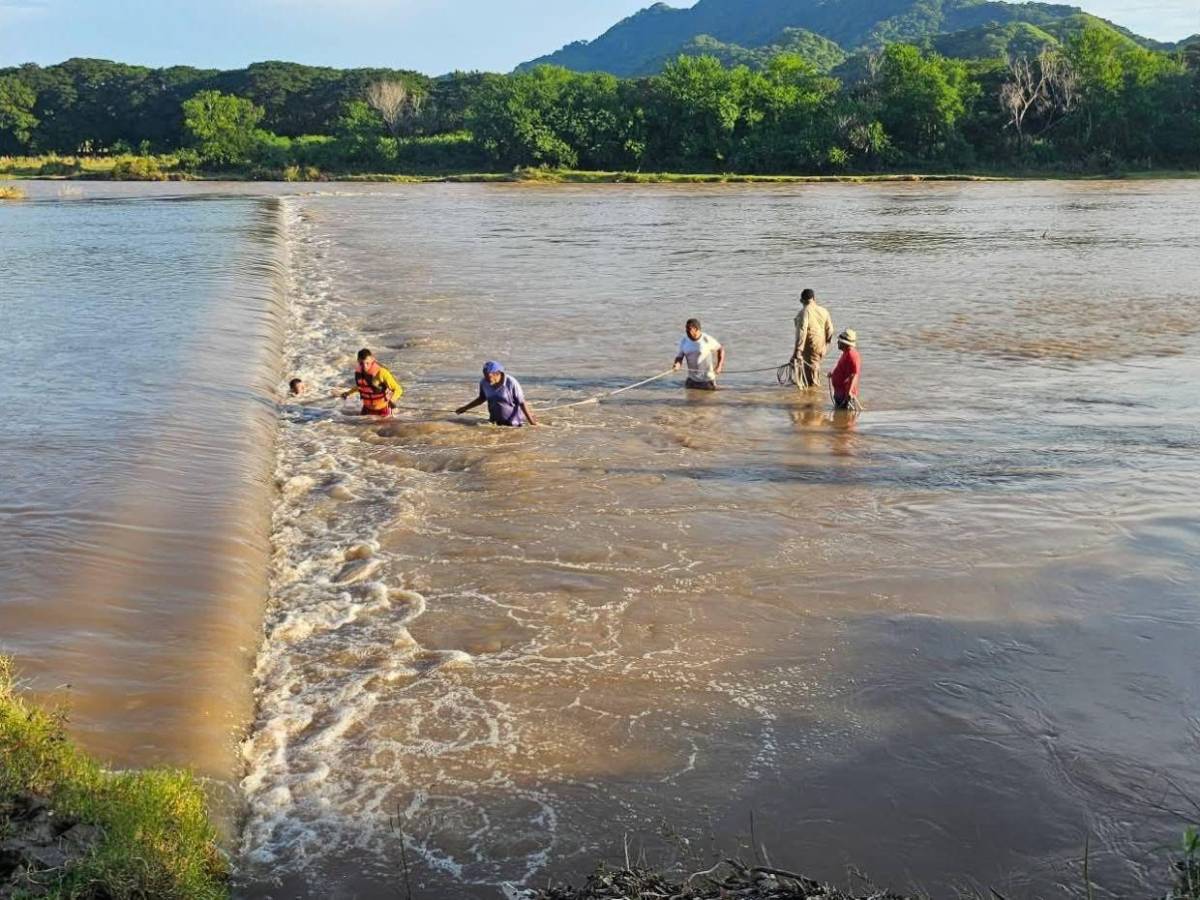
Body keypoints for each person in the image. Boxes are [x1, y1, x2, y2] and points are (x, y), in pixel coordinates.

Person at [456, 361, 539, 426]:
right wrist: (465, 408)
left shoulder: (511, 382)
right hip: (495, 423)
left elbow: (522, 403)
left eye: (489, 377)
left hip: (514, 424)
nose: (487, 380)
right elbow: (481, 398)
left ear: (498, 373)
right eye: (484, 375)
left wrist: (532, 422)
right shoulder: (483, 382)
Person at [337, 348, 403, 416]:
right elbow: (363, 386)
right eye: (361, 363)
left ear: (372, 359)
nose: (365, 366)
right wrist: (348, 393)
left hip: (383, 410)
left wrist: (392, 401)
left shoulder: (381, 372)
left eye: (367, 363)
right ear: (358, 361)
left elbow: (398, 389)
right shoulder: (359, 372)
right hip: (366, 409)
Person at [791, 288, 834, 388]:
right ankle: (814, 395)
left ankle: (813, 399)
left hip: (810, 346)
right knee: (814, 369)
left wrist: (797, 351)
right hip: (821, 346)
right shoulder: (824, 311)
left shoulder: (804, 312)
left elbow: (802, 332)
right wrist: (826, 344)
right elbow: (830, 329)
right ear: (814, 299)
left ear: (802, 301)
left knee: (811, 379)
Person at [673, 318, 724, 390]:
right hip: (691, 380)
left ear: (696, 329)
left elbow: (720, 349)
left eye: (689, 329)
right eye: (686, 329)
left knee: (709, 400)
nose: (686, 331)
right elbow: (679, 357)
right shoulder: (684, 341)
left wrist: (719, 366)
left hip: (707, 380)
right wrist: (677, 364)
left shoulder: (706, 339)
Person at [829, 329, 861, 410]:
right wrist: (833, 374)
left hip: (845, 395)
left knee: (846, 420)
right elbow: (844, 370)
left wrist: (849, 392)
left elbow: (854, 374)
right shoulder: (846, 353)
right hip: (840, 393)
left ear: (845, 344)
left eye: (839, 341)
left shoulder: (852, 355)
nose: (837, 343)